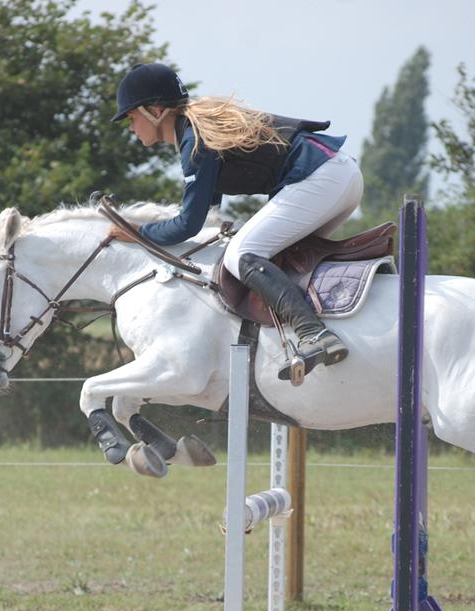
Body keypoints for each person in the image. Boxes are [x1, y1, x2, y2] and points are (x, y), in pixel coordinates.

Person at [108, 62, 364, 379]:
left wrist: (137, 232)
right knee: (272, 258)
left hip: (320, 178)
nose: (132, 128)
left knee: (241, 254)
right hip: (338, 175)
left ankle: (314, 334)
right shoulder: (195, 132)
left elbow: (188, 224)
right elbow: (208, 216)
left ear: (156, 111)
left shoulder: (194, 140)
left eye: (132, 118)